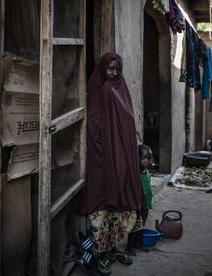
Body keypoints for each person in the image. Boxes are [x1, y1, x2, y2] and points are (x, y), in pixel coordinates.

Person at [78, 52, 143, 275]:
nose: (114, 73)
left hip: (121, 156)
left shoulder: (121, 88)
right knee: (101, 202)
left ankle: (113, 248)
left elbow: (127, 121)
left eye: (117, 69)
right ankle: (100, 253)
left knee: (120, 201)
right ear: (103, 69)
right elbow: (93, 126)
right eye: (110, 69)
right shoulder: (98, 90)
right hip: (101, 158)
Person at [125, 144, 154, 256]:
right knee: (135, 226)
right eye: (143, 158)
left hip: (146, 205)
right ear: (136, 158)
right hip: (138, 205)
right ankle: (129, 246)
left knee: (141, 225)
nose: (146, 161)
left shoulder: (146, 172)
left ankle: (138, 244)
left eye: (148, 158)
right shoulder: (135, 174)